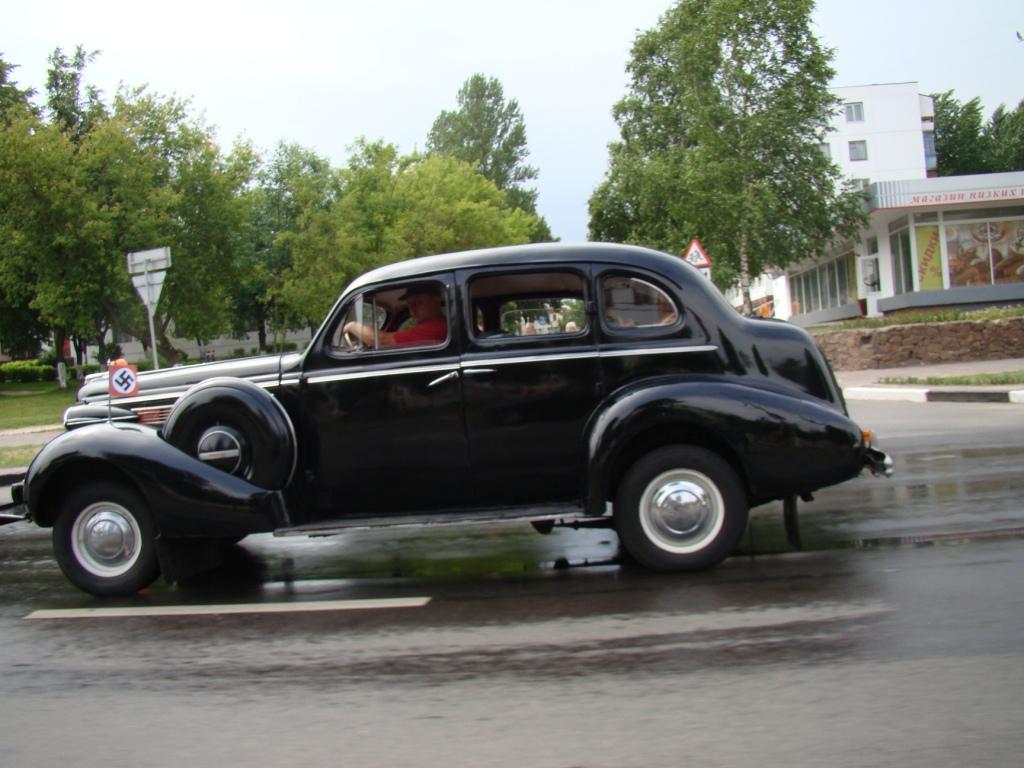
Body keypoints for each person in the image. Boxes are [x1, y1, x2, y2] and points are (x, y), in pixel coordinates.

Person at [343, 283, 447, 349]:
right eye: (409, 304)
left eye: (419, 302)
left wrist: (351, 326)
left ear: (436, 300)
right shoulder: (439, 326)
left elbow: (381, 341)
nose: (412, 308)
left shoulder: (436, 327)